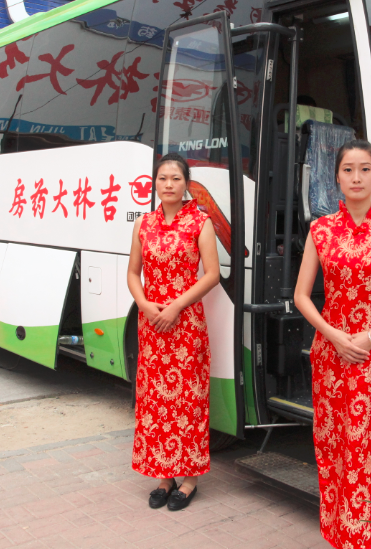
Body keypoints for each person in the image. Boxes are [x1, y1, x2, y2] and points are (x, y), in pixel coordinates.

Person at [293, 139, 371, 549]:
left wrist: (370, 336)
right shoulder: (321, 229)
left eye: (365, 169)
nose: (356, 177)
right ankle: (344, 534)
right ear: (336, 176)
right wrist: (333, 335)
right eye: (348, 169)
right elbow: (301, 296)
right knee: (337, 444)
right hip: (332, 354)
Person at [127, 153, 220, 511]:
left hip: (186, 325)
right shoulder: (144, 223)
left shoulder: (200, 222)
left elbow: (212, 274)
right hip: (152, 325)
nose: (168, 184)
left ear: (186, 184)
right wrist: (145, 305)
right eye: (162, 178)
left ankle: (190, 479)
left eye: (175, 179)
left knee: (188, 400)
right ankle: (164, 476)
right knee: (156, 401)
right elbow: (133, 273)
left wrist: (176, 306)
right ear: (155, 183)